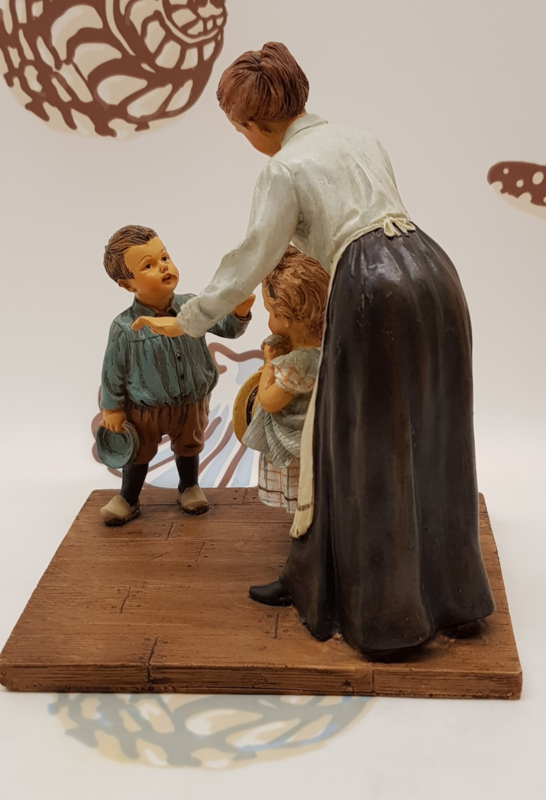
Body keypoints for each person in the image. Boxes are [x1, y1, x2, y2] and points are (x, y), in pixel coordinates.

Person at [134, 43, 495, 659]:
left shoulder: (283, 169)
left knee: (356, 443)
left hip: (373, 286)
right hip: (434, 271)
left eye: (240, 130)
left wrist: (189, 319)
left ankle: (385, 612)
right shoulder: (361, 138)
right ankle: (454, 597)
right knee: (434, 428)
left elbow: (253, 256)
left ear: (254, 123)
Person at [99, 224, 254, 526]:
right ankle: (128, 497)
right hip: (145, 409)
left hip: (190, 402)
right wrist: (112, 408)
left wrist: (239, 312)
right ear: (127, 284)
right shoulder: (123, 327)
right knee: (139, 451)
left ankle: (189, 486)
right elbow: (112, 371)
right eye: (148, 265)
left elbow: (227, 329)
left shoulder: (193, 307)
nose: (163, 267)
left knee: (189, 444)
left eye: (164, 258)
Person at [242, 246, 328, 515]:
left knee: (305, 489)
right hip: (321, 437)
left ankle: (306, 518)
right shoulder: (325, 349)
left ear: (288, 317)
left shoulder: (297, 363)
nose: (269, 320)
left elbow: (269, 401)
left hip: (296, 445)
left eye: (271, 313)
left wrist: (270, 363)